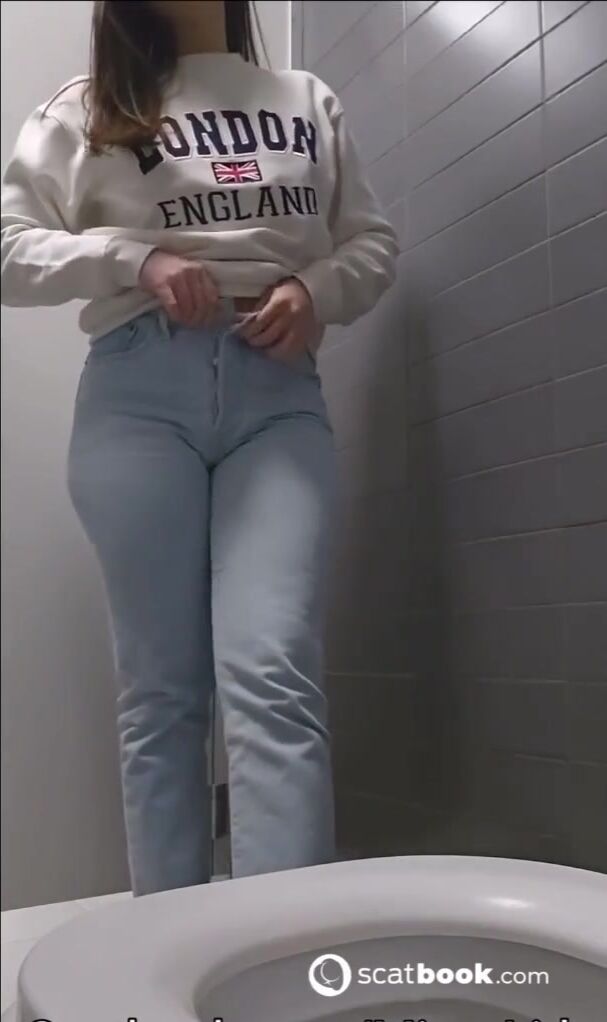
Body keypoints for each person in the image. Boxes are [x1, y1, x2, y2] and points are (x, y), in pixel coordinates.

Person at [1, 0, 398, 897]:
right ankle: (170, 945)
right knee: (161, 693)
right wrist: (133, 259)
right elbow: (9, 248)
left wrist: (315, 288)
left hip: (276, 396)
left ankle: (281, 948)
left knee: (273, 670)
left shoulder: (304, 98)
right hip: (139, 396)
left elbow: (371, 242)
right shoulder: (88, 108)